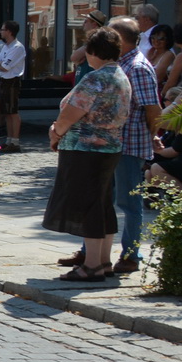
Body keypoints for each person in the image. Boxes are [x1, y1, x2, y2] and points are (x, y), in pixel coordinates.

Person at [71, 17, 159, 277]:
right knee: (101, 200)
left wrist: (152, 137)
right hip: (110, 144)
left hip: (129, 144)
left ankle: (131, 254)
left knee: (128, 201)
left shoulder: (138, 67)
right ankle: (91, 253)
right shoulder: (120, 63)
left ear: (121, 38)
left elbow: (153, 109)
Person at [44, 26, 131, 282]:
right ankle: (103, 261)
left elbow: (71, 113)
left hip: (86, 148)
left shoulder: (95, 78)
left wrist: (55, 133)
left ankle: (91, 266)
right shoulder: (120, 75)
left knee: (88, 204)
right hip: (110, 148)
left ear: (93, 51)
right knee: (102, 203)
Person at [0, 20, 26, 150]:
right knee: (6, 111)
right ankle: (9, 140)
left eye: (3, 29)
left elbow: (5, 67)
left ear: (9, 32)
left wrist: (0, 64)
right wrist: (0, 64)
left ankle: (15, 141)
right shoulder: (6, 46)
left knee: (12, 111)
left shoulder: (17, 47)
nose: (1, 32)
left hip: (12, 80)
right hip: (3, 80)